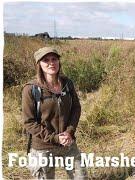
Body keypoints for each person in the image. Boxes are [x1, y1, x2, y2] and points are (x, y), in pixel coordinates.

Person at [22, 47, 88, 179]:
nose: (51, 63)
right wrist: (55, 138)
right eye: (46, 60)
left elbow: (76, 108)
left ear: (59, 61)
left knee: (81, 176)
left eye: (54, 59)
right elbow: (29, 122)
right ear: (39, 64)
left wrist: (69, 131)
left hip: (67, 143)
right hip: (43, 146)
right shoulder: (31, 89)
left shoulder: (67, 84)